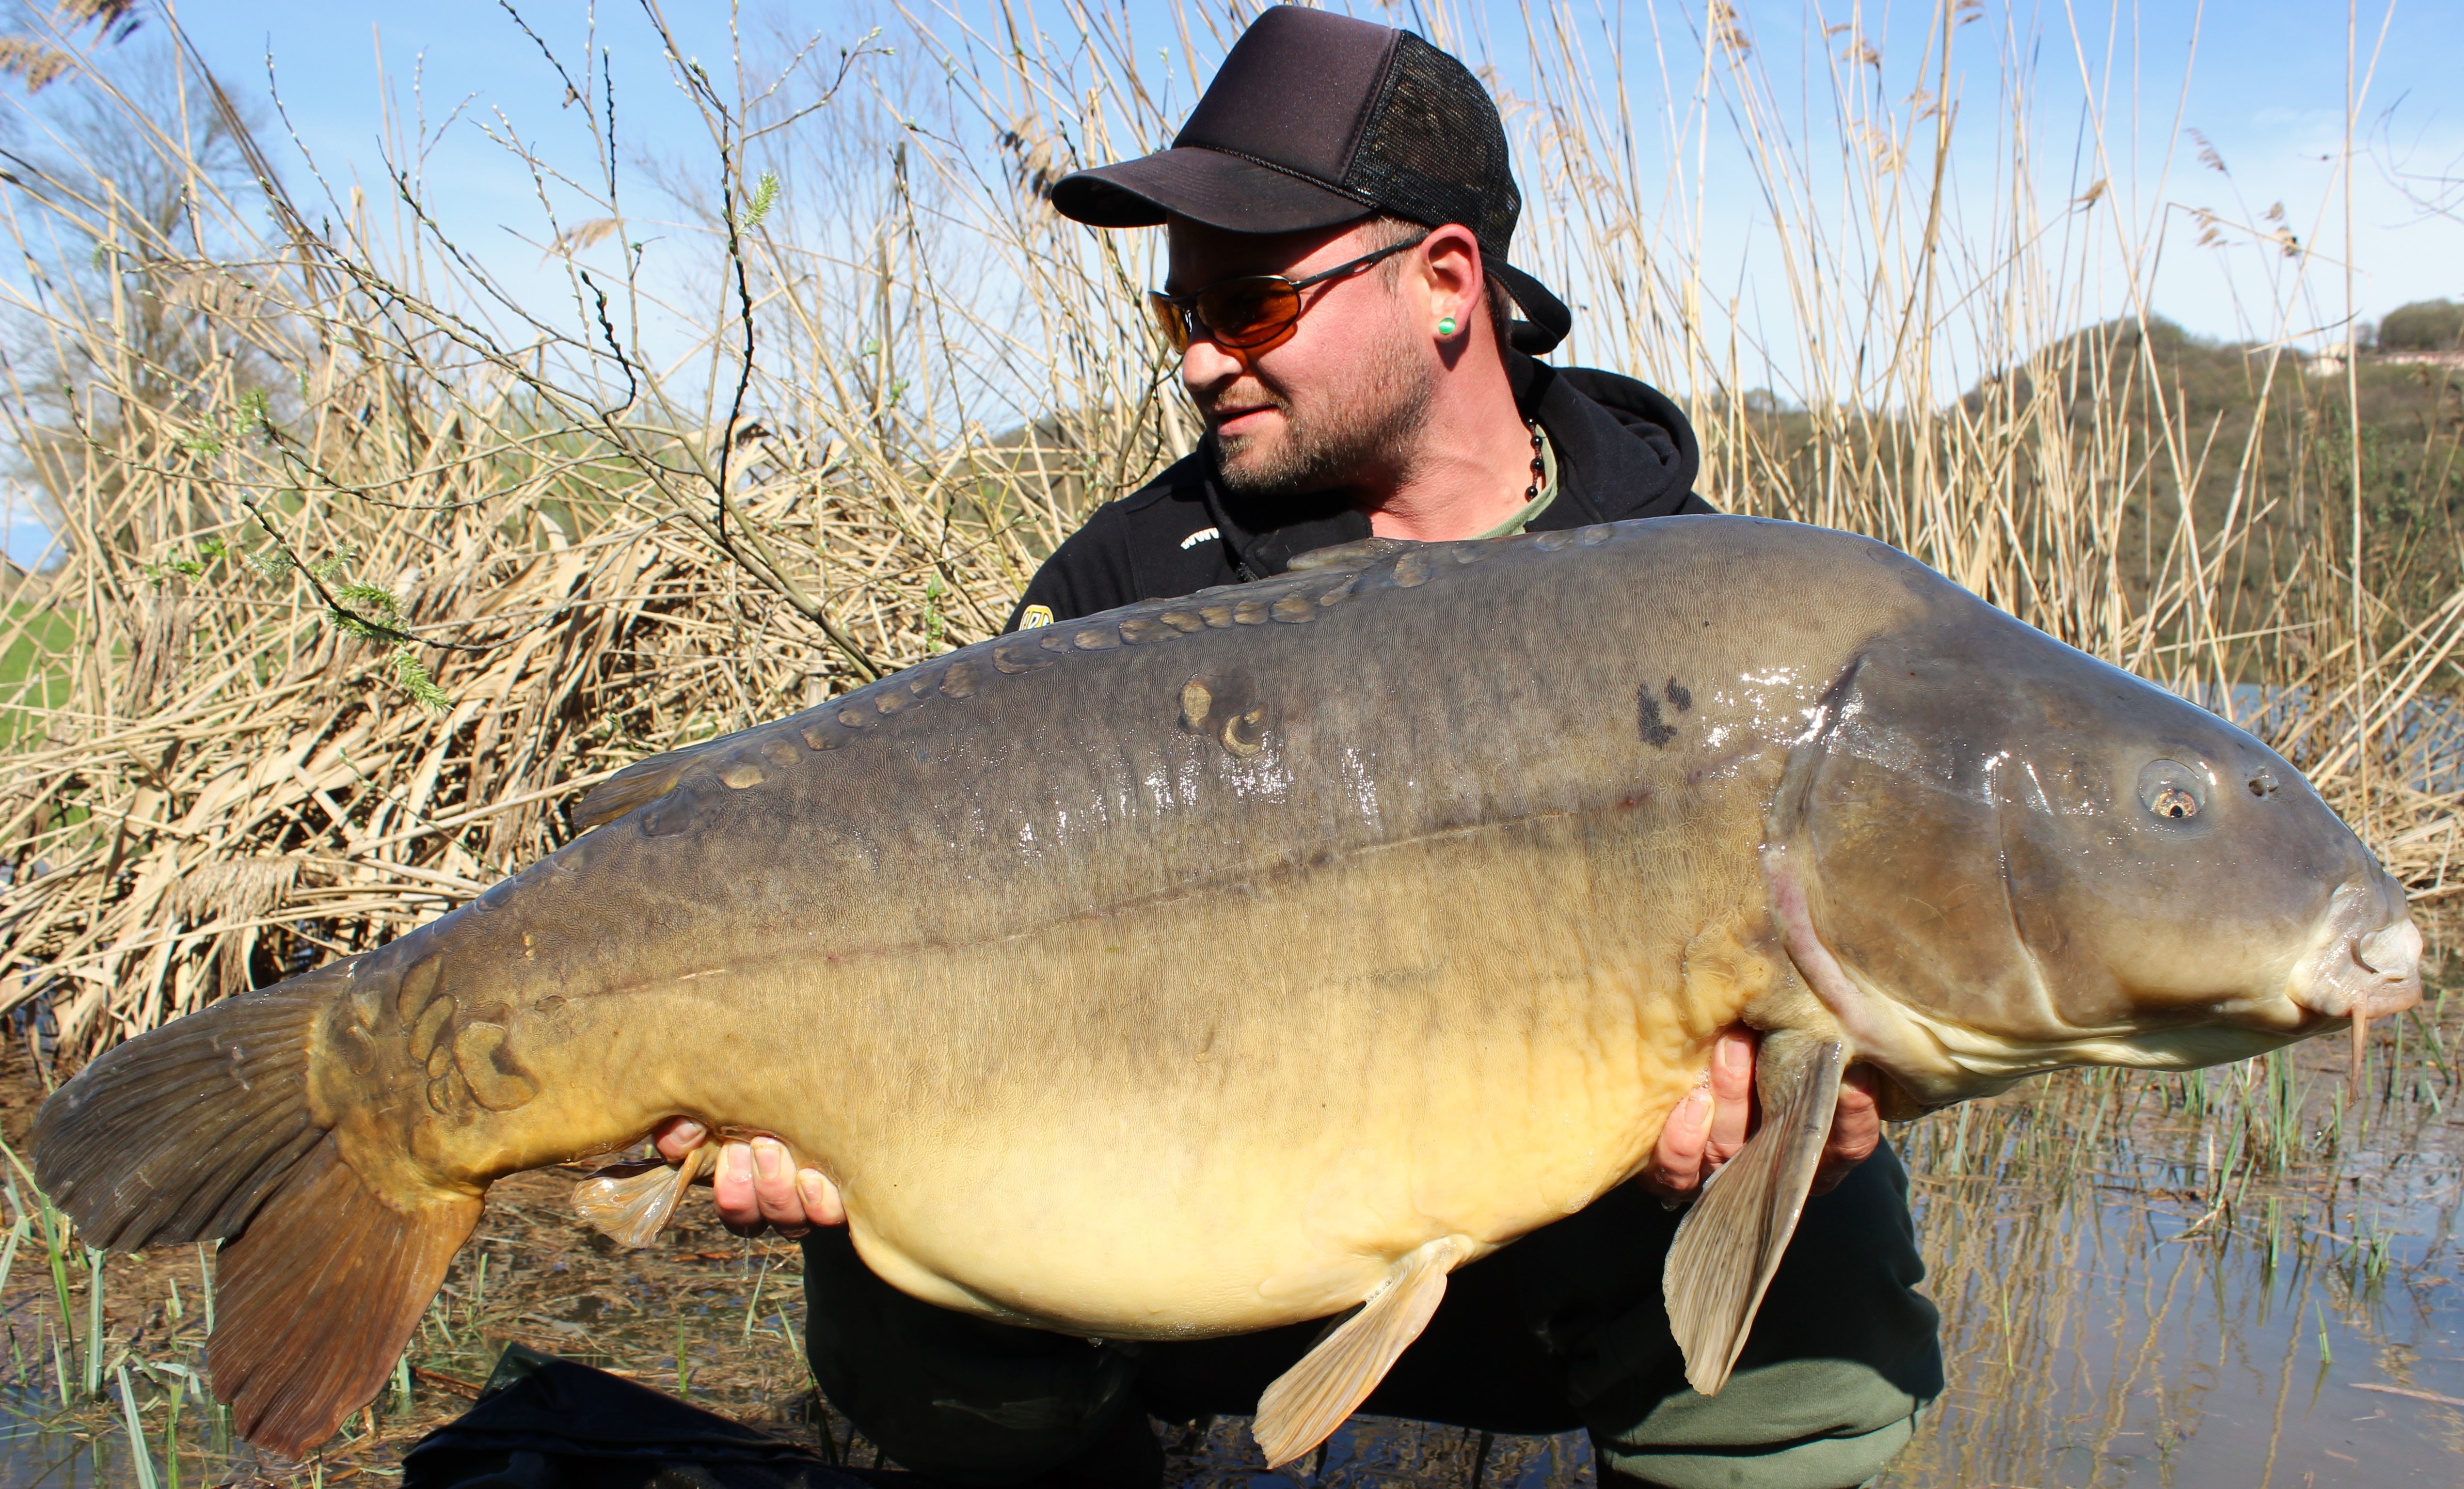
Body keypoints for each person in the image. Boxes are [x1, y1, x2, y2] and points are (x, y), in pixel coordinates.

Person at [656, 10, 1941, 1486]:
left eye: (1249, 307)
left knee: (1825, 1240)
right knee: (890, 1270)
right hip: (1174, 1239)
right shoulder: (1125, 587)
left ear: (1446, 284)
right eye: (1178, 314)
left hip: (1555, 1259)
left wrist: (1798, 1113)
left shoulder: (1706, 613)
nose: (1200, 362)